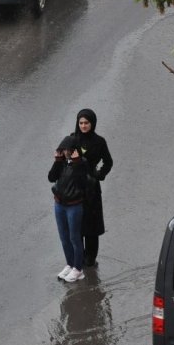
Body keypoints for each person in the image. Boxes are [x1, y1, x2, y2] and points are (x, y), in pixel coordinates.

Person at [73, 108, 113, 268]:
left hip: (91, 189)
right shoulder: (72, 139)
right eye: (81, 123)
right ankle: (78, 257)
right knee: (76, 224)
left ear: (92, 123)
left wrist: (98, 175)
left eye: (86, 123)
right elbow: (64, 161)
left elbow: (108, 162)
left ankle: (90, 258)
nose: (83, 126)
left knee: (91, 224)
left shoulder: (99, 141)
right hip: (75, 188)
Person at [49, 135, 88, 283]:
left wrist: (77, 162)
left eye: (68, 150)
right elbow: (51, 177)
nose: (65, 153)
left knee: (74, 238)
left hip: (74, 206)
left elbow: (82, 183)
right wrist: (57, 161)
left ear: (74, 150)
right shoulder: (63, 163)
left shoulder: (82, 163)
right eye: (63, 150)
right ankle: (70, 264)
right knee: (64, 238)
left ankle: (78, 269)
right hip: (59, 205)